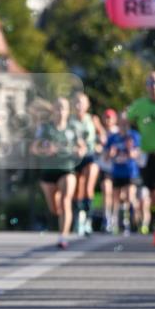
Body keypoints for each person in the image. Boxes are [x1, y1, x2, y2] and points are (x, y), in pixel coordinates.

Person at [30, 96, 85, 250]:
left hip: (67, 169)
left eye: (64, 108)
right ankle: (60, 217)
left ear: (68, 111)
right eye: (58, 108)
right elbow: (34, 148)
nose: (61, 111)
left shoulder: (73, 128)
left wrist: (79, 151)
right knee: (54, 208)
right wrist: (45, 150)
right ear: (53, 110)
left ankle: (63, 237)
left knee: (66, 201)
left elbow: (82, 147)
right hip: (48, 172)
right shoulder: (45, 128)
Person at [127, 71, 155, 235]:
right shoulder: (140, 105)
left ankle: (152, 219)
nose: (154, 86)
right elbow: (127, 119)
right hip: (145, 154)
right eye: (151, 83)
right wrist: (131, 141)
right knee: (147, 191)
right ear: (146, 86)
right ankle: (148, 220)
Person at [105, 111, 142, 235]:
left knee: (130, 197)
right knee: (115, 199)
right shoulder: (113, 137)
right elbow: (106, 157)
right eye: (121, 122)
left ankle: (136, 222)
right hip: (117, 172)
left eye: (126, 122)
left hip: (130, 172)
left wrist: (131, 150)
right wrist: (111, 153)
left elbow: (137, 154)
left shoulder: (134, 136)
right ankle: (115, 223)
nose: (123, 124)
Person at [70, 92, 101, 235]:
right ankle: (79, 219)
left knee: (89, 186)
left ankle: (88, 220)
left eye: (82, 102)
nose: (79, 106)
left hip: (90, 156)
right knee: (78, 190)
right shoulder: (70, 121)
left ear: (87, 105)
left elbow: (103, 136)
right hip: (75, 158)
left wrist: (100, 144)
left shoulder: (93, 119)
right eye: (76, 102)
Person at [96, 108, 118, 232]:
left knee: (116, 195)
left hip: (118, 169)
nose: (107, 120)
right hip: (105, 167)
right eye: (106, 117)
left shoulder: (118, 133)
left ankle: (114, 218)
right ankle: (106, 218)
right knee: (106, 190)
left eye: (110, 117)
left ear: (115, 119)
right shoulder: (101, 133)